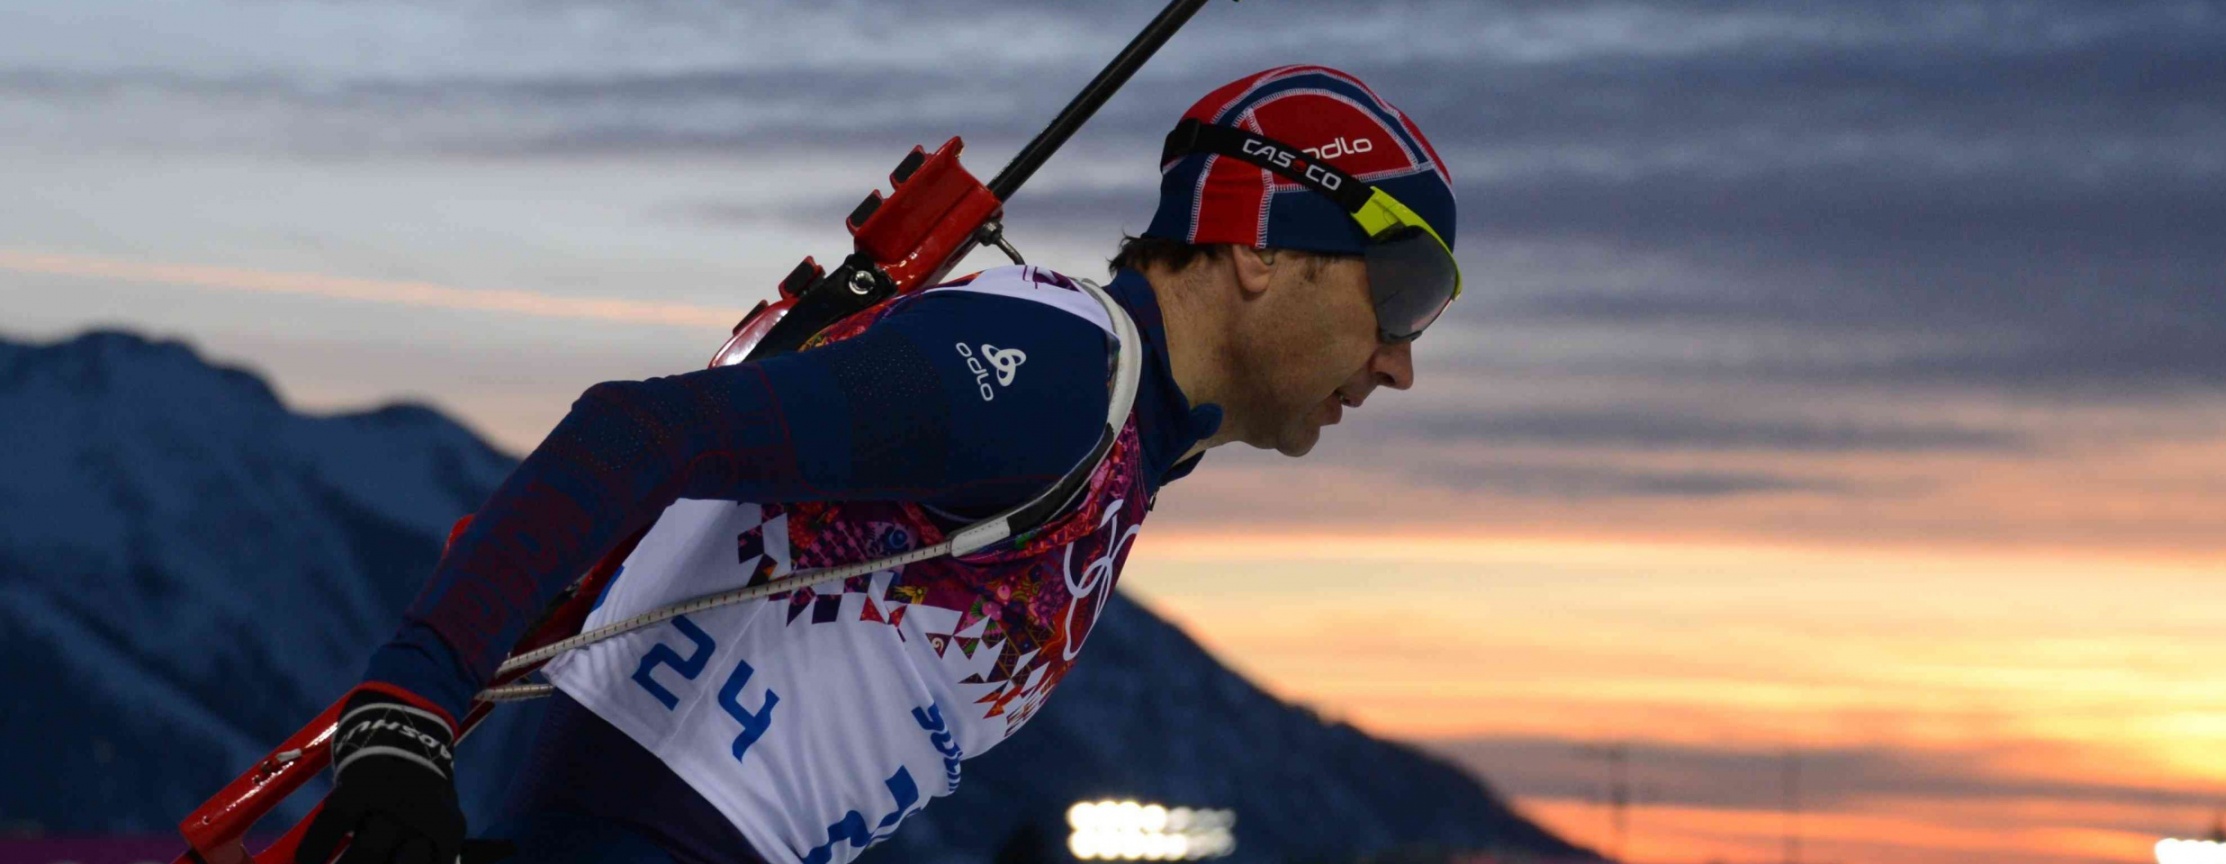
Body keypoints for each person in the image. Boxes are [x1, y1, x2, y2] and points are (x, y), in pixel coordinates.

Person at [297, 64, 1461, 864]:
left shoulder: (1123, 443)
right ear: (1258, 246)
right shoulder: (1058, 372)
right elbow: (639, 431)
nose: (1402, 362)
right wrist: (405, 707)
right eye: (1401, 291)